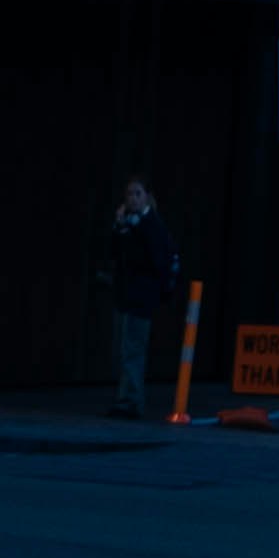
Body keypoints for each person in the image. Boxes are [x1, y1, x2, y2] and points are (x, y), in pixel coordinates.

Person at [104, 177, 181, 422]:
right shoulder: (129, 225)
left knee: (133, 350)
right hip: (126, 295)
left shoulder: (150, 226)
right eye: (129, 194)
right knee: (124, 349)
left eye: (137, 194)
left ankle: (131, 401)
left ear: (147, 196)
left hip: (140, 297)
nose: (132, 199)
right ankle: (125, 398)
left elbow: (152, 262)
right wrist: (120, 226)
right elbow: (115, 253)